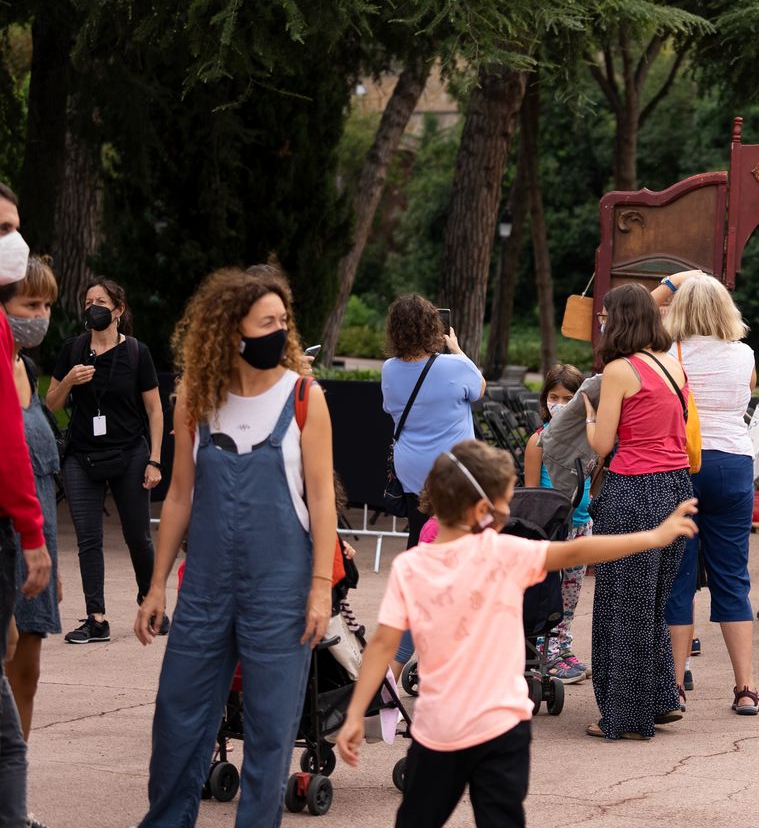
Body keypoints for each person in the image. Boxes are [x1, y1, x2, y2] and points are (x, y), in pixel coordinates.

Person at [334, 441, 698, 824]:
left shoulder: (411, 567)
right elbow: (579, 552)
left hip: (442, 732)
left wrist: (357, 712)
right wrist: (652, 537)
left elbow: (381, 647)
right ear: (480, 511)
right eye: (504, 503)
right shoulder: (504, 553)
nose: (509, 511)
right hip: (501, 731)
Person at [135, 268, 338, 826]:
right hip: (203, 588)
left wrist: (320, 588)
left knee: (272, 734)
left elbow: (322, 501)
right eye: (264, 322)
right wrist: (156, 587)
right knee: (177, 719)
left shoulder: (304, 398)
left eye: (282, 321)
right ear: (230, 332)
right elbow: (178, 498)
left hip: (282, 591)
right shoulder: (194, 403)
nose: (278, 331)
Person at [580, 283, 695, 738]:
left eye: (606, 315)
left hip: (633, 490)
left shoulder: (619, 370)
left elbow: (603, 445)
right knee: (651, 602)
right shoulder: (673, 364)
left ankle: (626, 714)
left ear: (620, 319)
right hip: (676, 486)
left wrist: (589, 415)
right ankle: (661, 696)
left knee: (622, 602)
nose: (602, 322)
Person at [652, 271, 759, 715]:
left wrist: (671, 280)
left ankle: (675, 686)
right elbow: (745, 397)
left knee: (678, 577)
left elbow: (632, 309)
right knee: (732, 577)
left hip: (684, 462)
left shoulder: (668, 354)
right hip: (734, 463)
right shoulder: (746, 354)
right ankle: (746, 688)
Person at [46, 277, 163, 644]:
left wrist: (155, 460)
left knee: (138, 536)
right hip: (82, 455)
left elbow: (155, 409)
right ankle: (96, 618)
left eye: (100, 301)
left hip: (130, 453)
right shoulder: (73, 349)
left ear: (118, 310)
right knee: (88, 538)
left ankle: (151, 603)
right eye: (87, 301)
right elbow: (50, 403)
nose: (92, 307)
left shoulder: (137, 353)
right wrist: (69, 381)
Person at [0, 185, 52, 828]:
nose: (13, 237)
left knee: (23, 665)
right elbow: (10, 450)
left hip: (19, 541)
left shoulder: (24, 365)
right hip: (17, 533)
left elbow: (33, 448)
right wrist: (32, 531)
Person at [2, 258, 64, 744]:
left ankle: (13, 800)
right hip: (7, 545)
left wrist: (51, 560)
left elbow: (41, 476)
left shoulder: (29, 368)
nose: (40, 314)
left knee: (27, 677)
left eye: (47, 304)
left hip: (36, 551)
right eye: (31, 303)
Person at [382, 295, 485, 549]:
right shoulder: (456, 366)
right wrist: (457, 350)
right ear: (433, 328)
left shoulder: (388, 368)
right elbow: (479, 388)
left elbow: (389, 408)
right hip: (452, 467)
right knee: (456, 537)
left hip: (411, 467)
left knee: (419, 534)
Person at [523, 363, 593, 685]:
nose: (561, 404)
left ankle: (562, 647)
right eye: (554, 396)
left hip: (580, 527)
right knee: (548, 594)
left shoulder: (591, 440)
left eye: (569, 398)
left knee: (571, 595)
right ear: (545, 399)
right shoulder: (538, 442)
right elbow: (532, 494)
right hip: (551, 532)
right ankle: (544, 650)